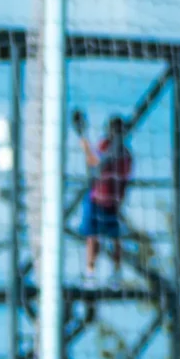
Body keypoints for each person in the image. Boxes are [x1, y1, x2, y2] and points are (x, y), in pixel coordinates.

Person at [73, 109, 132, 275]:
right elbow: (97, 165)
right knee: (93, 236)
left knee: (112, 237)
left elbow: (95, 164)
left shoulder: (123, 154)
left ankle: (115, 273)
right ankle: (91, 271)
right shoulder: (109, 147)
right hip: (99, 199)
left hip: (110, 202)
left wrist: (85, 147)